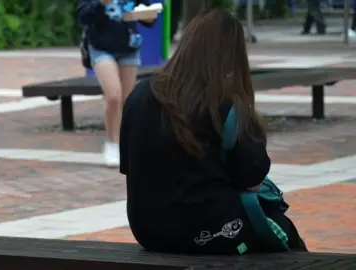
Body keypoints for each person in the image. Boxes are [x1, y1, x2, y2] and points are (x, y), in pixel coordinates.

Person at [120, 9, 307, 255]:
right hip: (214, 231)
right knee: (286, 237)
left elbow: (130, 168)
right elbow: (252, 181)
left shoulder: (139, 95)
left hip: (149, 231)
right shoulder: (225, 103)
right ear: (234, 55)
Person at [76, 0, 156, 167]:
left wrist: (148, 16)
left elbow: (147, 14)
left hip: (129, 46)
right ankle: (112, 143)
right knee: (113, 96)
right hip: (100, 46)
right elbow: (82, 16)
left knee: (127, 101)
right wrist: (101, 4)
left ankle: (125, 145)